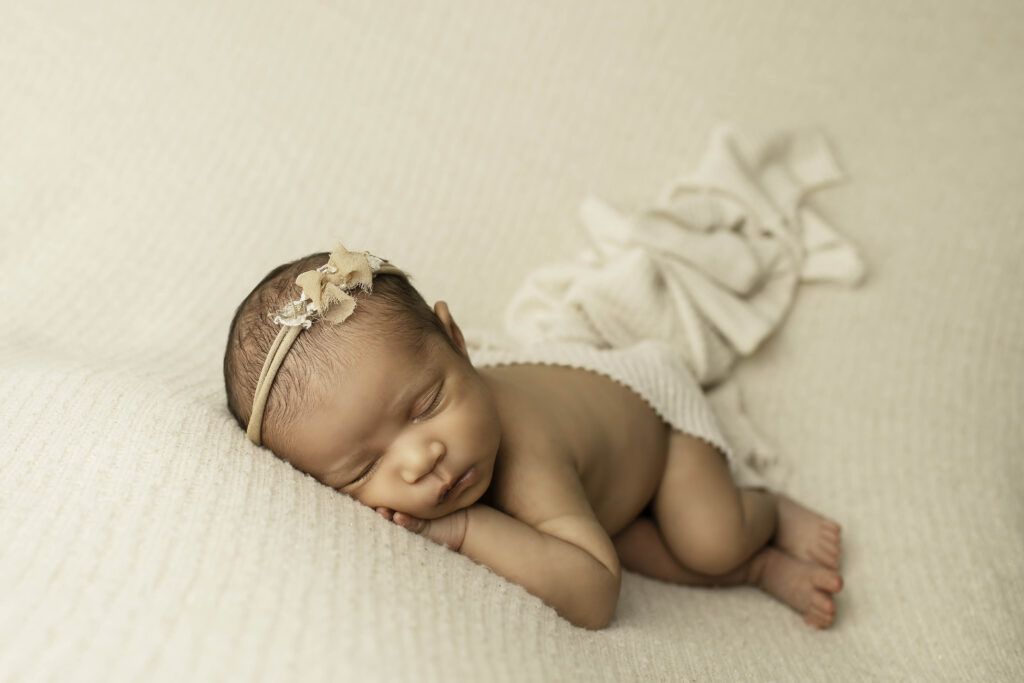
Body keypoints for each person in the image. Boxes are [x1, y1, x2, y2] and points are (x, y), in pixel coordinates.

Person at [223, 244, 842, 630]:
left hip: (655, 420)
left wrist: (466, 529)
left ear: (457, 340)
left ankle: (761, 518)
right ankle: (758, 571)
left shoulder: (525, 456)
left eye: (428, 404)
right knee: (633, 546)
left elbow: (597, 596)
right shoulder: (450, 442)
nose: (420, 460)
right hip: (604, 491)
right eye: (363, 469)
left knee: (707, 539)